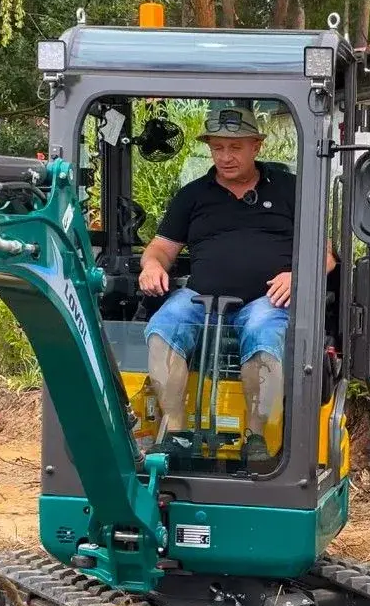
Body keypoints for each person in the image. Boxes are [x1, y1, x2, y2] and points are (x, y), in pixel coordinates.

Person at [137, 104, 336, 462]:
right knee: (163, 327)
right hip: (199, 298)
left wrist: (299, 276)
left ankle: (256, 437)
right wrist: (151, 266)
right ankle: (176, 434)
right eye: (217, 147)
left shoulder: (292, 190)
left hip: (266, 299)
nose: (225, 157)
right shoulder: (192, 195)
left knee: (263, 331)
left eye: (235, 147)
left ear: (256, 146)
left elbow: (327, 256)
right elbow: (161, 249)